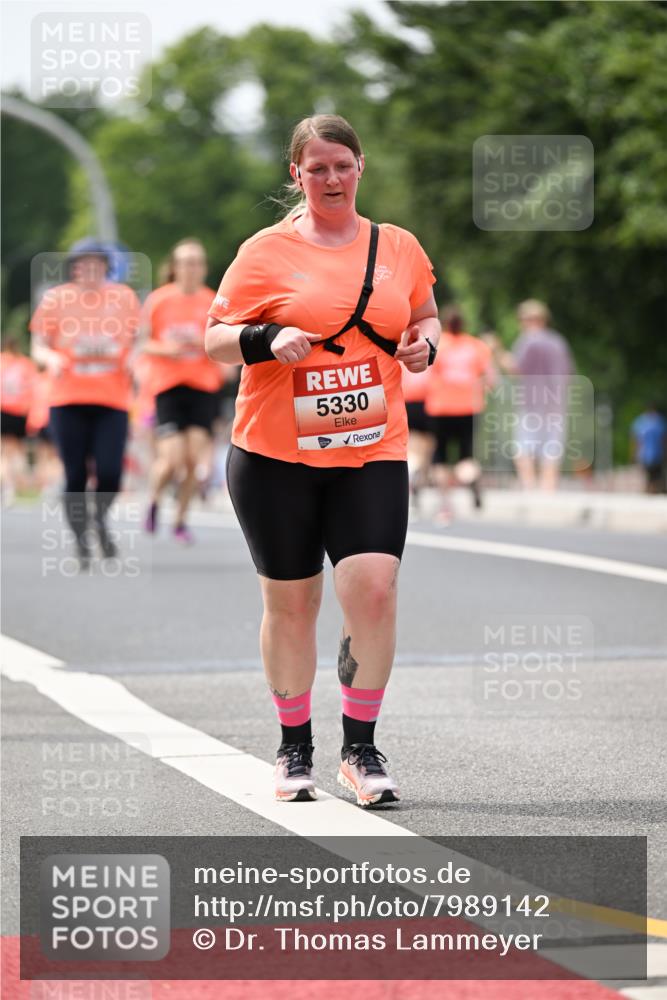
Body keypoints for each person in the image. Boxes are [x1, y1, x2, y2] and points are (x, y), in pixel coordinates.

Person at [205, 114, 438, 807]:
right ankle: (293, 746)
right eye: (317, 169)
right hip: (275, 453)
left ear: (360, 167)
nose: (331, 178)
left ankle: (360, 749)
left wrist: (424, 345)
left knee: (372, 589)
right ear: (296, 176)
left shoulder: (396, 246)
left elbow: (423, 315)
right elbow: (214, 338)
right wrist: (265, 337)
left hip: (371, 447)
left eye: (342, 165)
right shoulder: (263, 252)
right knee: (293, 601)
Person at [30, 238, 140, 566]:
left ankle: (100, 519)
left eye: (97, 263)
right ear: (74, 268)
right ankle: (80, 539)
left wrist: (134, 358)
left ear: (107, 267)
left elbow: (138, 340)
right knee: (75, 473)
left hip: (112, 399)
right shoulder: (55, 299)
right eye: (83, 263)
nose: (90, 270)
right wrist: (50, 358)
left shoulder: (124, 298)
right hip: (68, 399)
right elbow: (38, 344)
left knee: (109, 471)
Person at [139, 238, 223, 543]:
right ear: (175, 267)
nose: (192, 268)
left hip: (203, 387)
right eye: (186, 262)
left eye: (198, 262)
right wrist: (166, 349)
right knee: (171, 459)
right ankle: (153, 500)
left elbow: (222, 342)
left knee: (191, 460)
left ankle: (179, 521)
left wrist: (219, 358)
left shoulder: (213, 301)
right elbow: (142, 342)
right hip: (169, 387)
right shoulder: (159, 300)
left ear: (204, 268)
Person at [424, 306, 493, 521]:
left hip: (440, 407)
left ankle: (445, 504)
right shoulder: (477, 346)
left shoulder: (438, 345)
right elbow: (491, 378)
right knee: (466, 454)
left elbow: (424, 374)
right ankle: (472, 478)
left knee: (441, 455)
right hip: (469, 407)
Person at [508, 299, 574, 491]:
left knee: (524, 445)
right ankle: (548, 488)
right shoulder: (558, 342)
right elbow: (568, 372)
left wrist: (497, 351)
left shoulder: (527, 340)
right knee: (552, 446)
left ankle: (530, 488)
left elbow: (515, 369)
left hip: (530, 402)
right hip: (556, 402)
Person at [1, 334, 37, 505]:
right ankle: (17, 485)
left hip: (4, 410)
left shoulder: (1, 362)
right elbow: (33, 388)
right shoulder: (25, 364)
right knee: (18, 450)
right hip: (20, 412)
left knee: (5, 451)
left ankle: (10, 486)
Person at [401, 364, 435, 514]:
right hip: (428, 401)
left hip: (407, 399)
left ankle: (413, 475)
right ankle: (418, 478)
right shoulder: (431, 346)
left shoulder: (398, 346)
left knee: (414, 444)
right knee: (427, 445)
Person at [631, 404, 666, 494]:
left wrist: (633, 453)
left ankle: (650, 489)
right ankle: (653, 489)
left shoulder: (640, 421)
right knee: (656, 475)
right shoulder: (660, 421)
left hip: (644, 454)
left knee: (649, 474)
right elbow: (663, 440)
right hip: (657, 454)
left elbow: (636, 440)